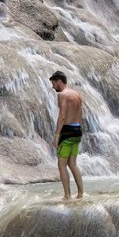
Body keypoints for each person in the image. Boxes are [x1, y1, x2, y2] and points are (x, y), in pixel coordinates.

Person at [49, 71, 84, 200]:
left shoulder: (63, 95)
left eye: (53, 83)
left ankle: (67, 195)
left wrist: (57, 135)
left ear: (59, 81)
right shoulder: (77, 94)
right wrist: (78, 129)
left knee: (61, 164)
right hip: (77, 130)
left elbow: (62, 116)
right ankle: (80, 193)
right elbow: (80, 114)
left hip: (67, 131)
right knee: (73, 164)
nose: (53, 87)